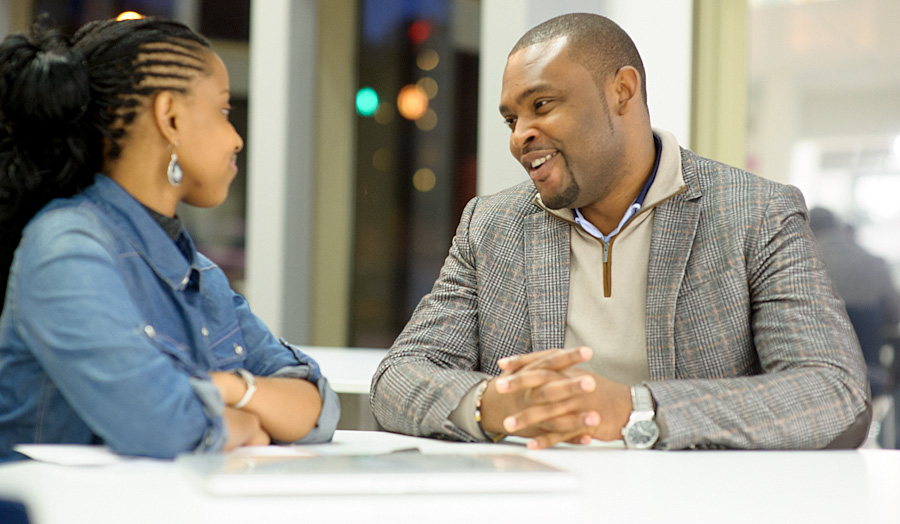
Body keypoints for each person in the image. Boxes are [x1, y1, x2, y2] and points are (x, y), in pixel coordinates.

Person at [370, 13, 870, 450]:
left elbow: (834, 392)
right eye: (511, 119)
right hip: (537, 500)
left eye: (542, 105)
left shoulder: (756, 213)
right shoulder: (492, 226)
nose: (520, 135)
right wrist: (491, 405)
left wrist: (634, 410)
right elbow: (397, 379)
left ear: (622, 91)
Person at [0, 17, 339, 459]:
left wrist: (230, 387)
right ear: (170, 117)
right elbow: (162, 424)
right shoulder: (66, 247)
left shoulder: (199, 272)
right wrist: (244, 414)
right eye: (222, 112)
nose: (236, 139)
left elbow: (316, 407)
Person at [808, 207, 900, 396]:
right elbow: (895, 316)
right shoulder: (874, 262)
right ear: (837, 226)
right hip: (868, 376)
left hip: (814, 378)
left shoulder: (802, 262)